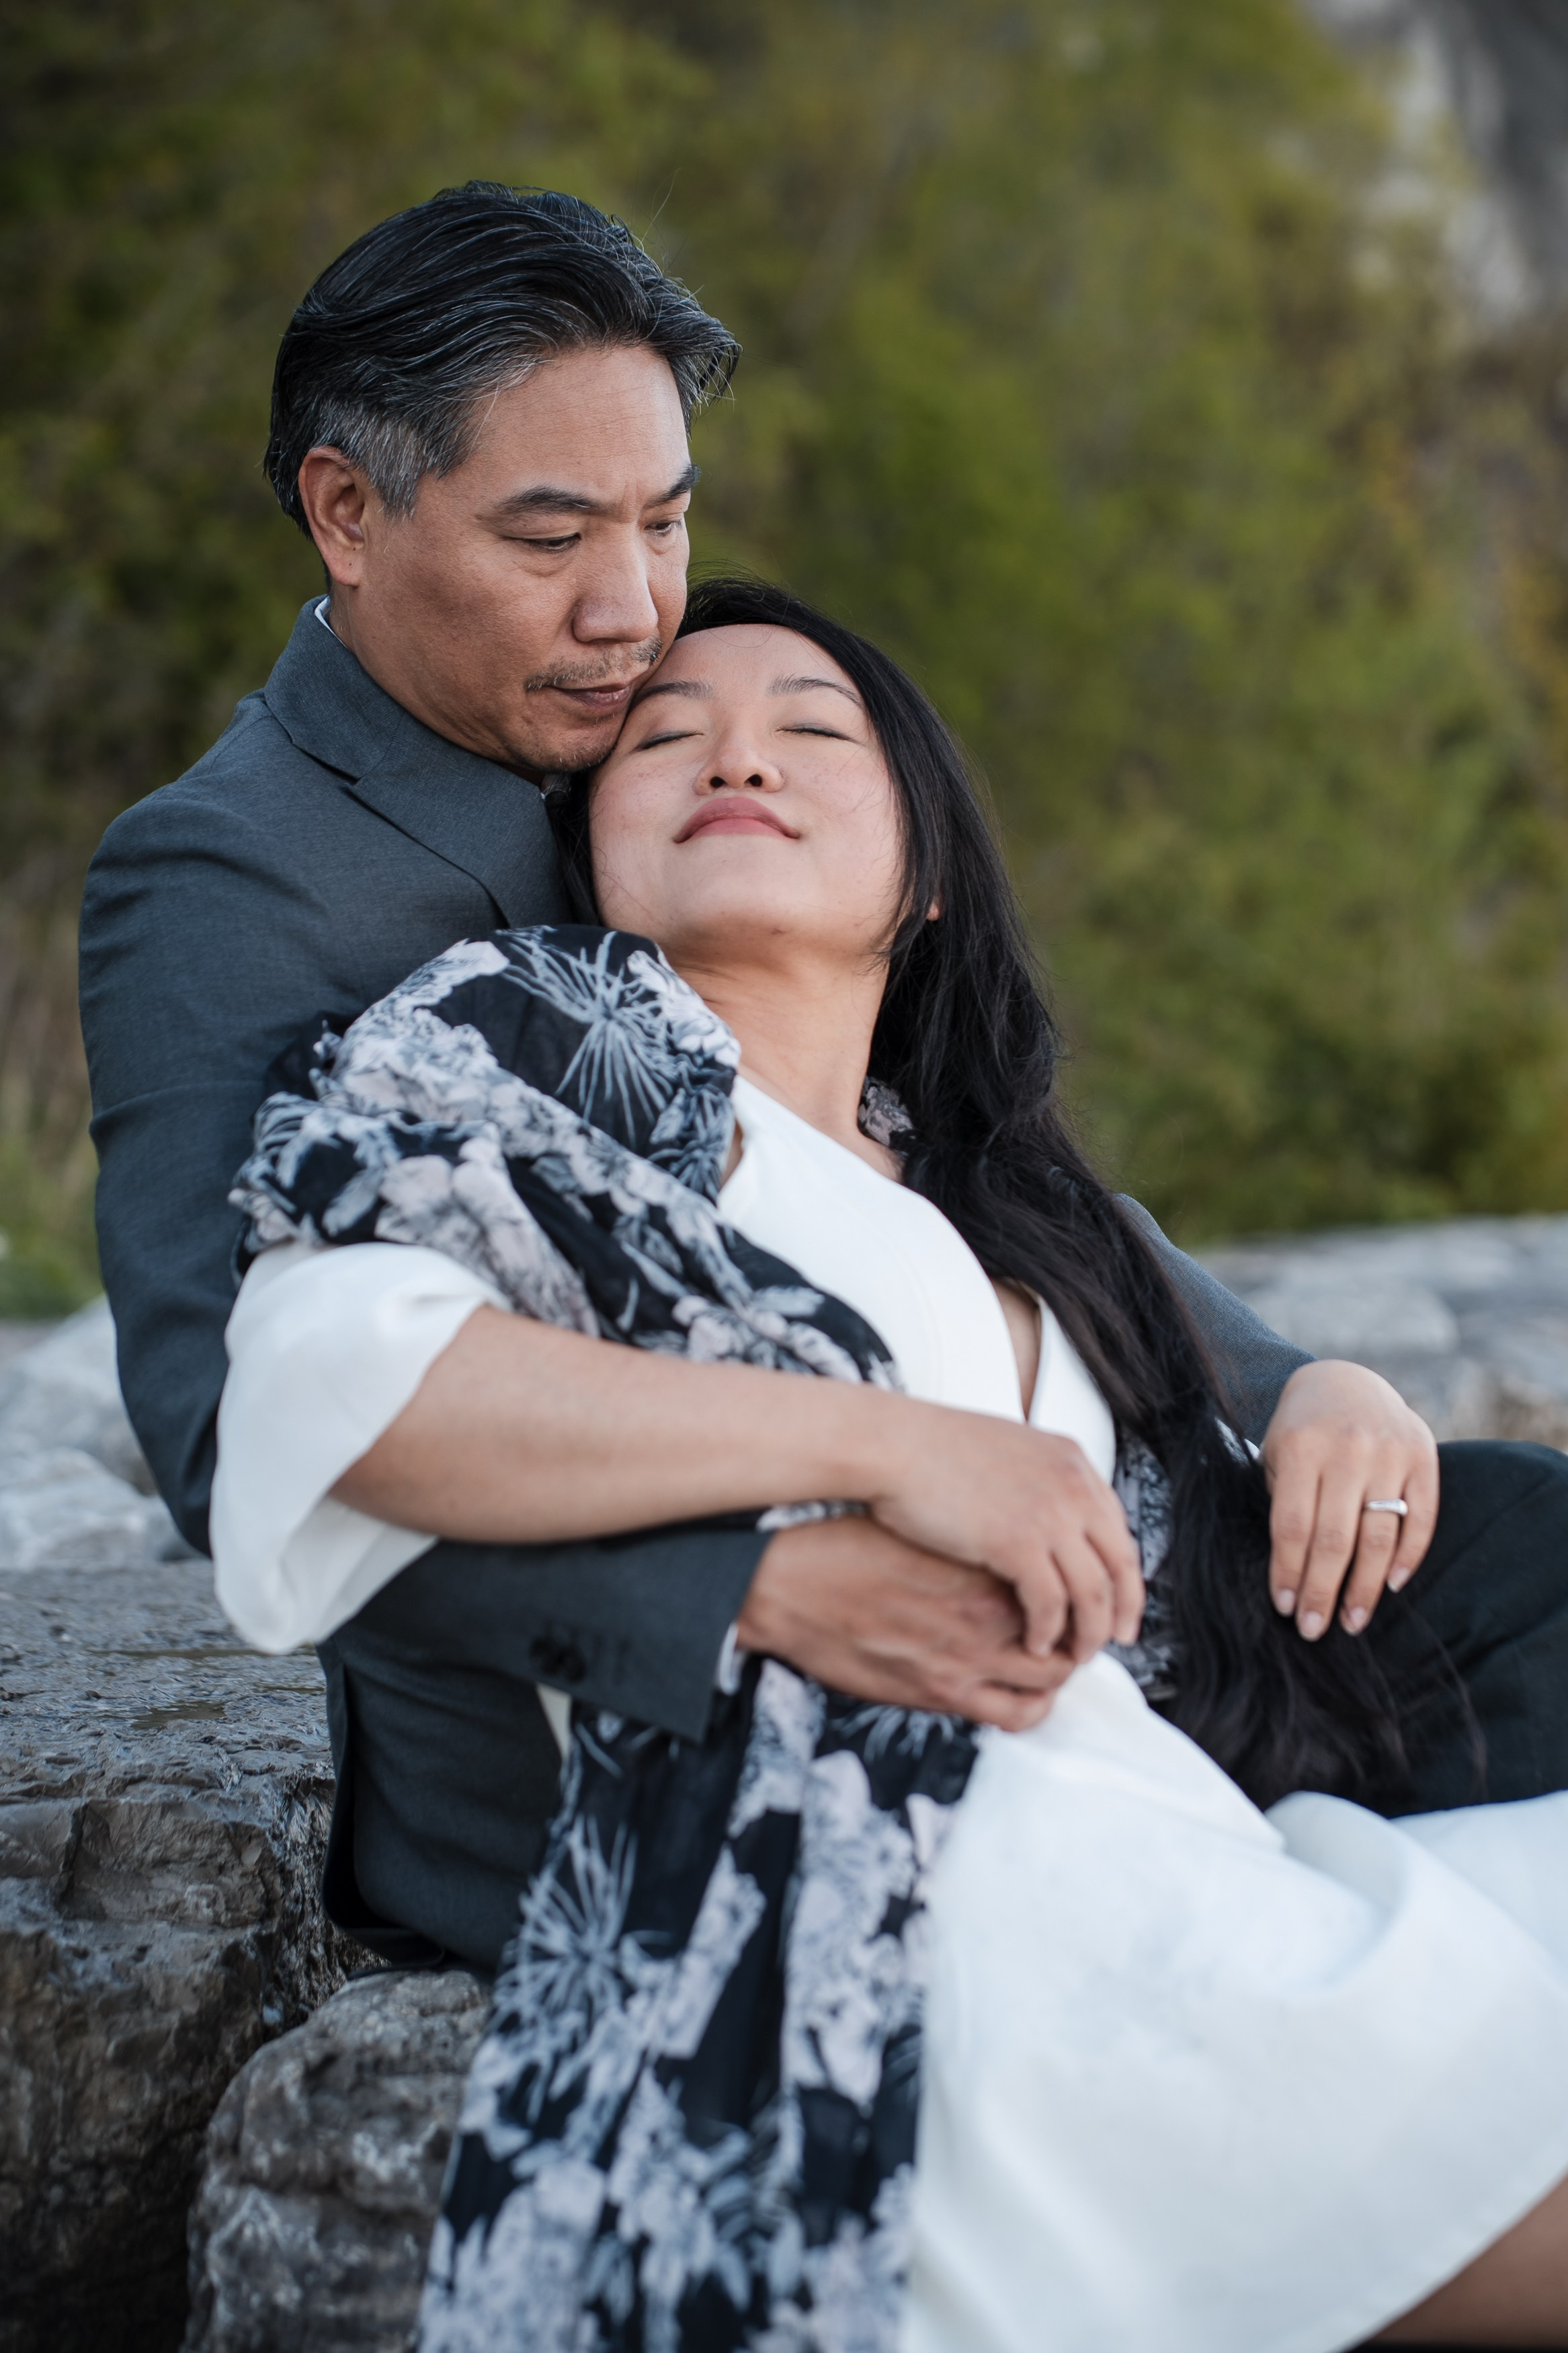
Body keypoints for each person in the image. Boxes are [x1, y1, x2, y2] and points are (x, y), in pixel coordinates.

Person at [81, 182, 1553, 1977]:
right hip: (605, 1732)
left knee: (1521, 1553)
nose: (632, 609)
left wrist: (1294, 1372)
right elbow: (238, 1433)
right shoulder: (232, 875)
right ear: (346, 512)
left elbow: (943, 1151)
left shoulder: (675, 724)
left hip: (1044, 1549)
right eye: (552, 536)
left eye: (669, 520)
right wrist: (751, 1599)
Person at [218, 582, 1568, 2351]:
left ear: (926, 869)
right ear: (594, 842)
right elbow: (341, 1388)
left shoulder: (988, 1180)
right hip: (906, 1878)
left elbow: (1233, 1364)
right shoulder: (541, 1039)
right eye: (666, 733)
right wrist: (886, 1446)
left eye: (812, 725)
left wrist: (1330, 1390)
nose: (738, 753)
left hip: (1189, 1824)